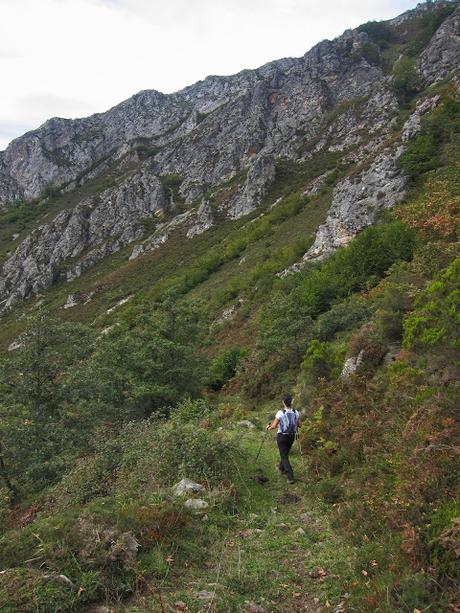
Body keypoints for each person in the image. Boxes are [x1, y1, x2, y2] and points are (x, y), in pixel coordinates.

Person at [266, 393, 301, 484]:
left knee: (284, 456)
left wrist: (268, 427)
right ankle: (281, 469)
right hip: (291, 436)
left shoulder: (280, 413)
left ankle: (290, 477)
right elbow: (300, 425)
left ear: (283, 402)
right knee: (285, 454)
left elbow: (273, 426)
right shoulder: (296, 412)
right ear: (291, 402)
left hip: (282, 436)